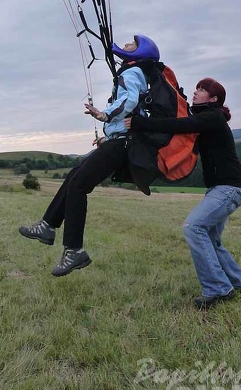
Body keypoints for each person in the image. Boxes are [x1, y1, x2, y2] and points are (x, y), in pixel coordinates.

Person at [18, 35, 160, 277]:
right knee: (75, 176)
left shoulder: (131, 72)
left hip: (122, 144)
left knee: (78, 186)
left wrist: (103, 115)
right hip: (119, 142)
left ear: (139, 53)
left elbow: (129, 101)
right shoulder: (135, 73)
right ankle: (48, 226)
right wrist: (108, 133)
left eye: (132, 44)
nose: (126, 44)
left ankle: (74, 250)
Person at [125, 77, 241, 309]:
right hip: (224, 188)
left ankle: (218, 289)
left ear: (214, 99)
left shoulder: (213, 117)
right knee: (211, 238)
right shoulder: (206, 119)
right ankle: (238, 282)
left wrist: (142, 123)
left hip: (228, 188)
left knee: (193, 227)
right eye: (197, 88)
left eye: (202, 90)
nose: (196, 92)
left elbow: (177, 125)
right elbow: (177, 131)